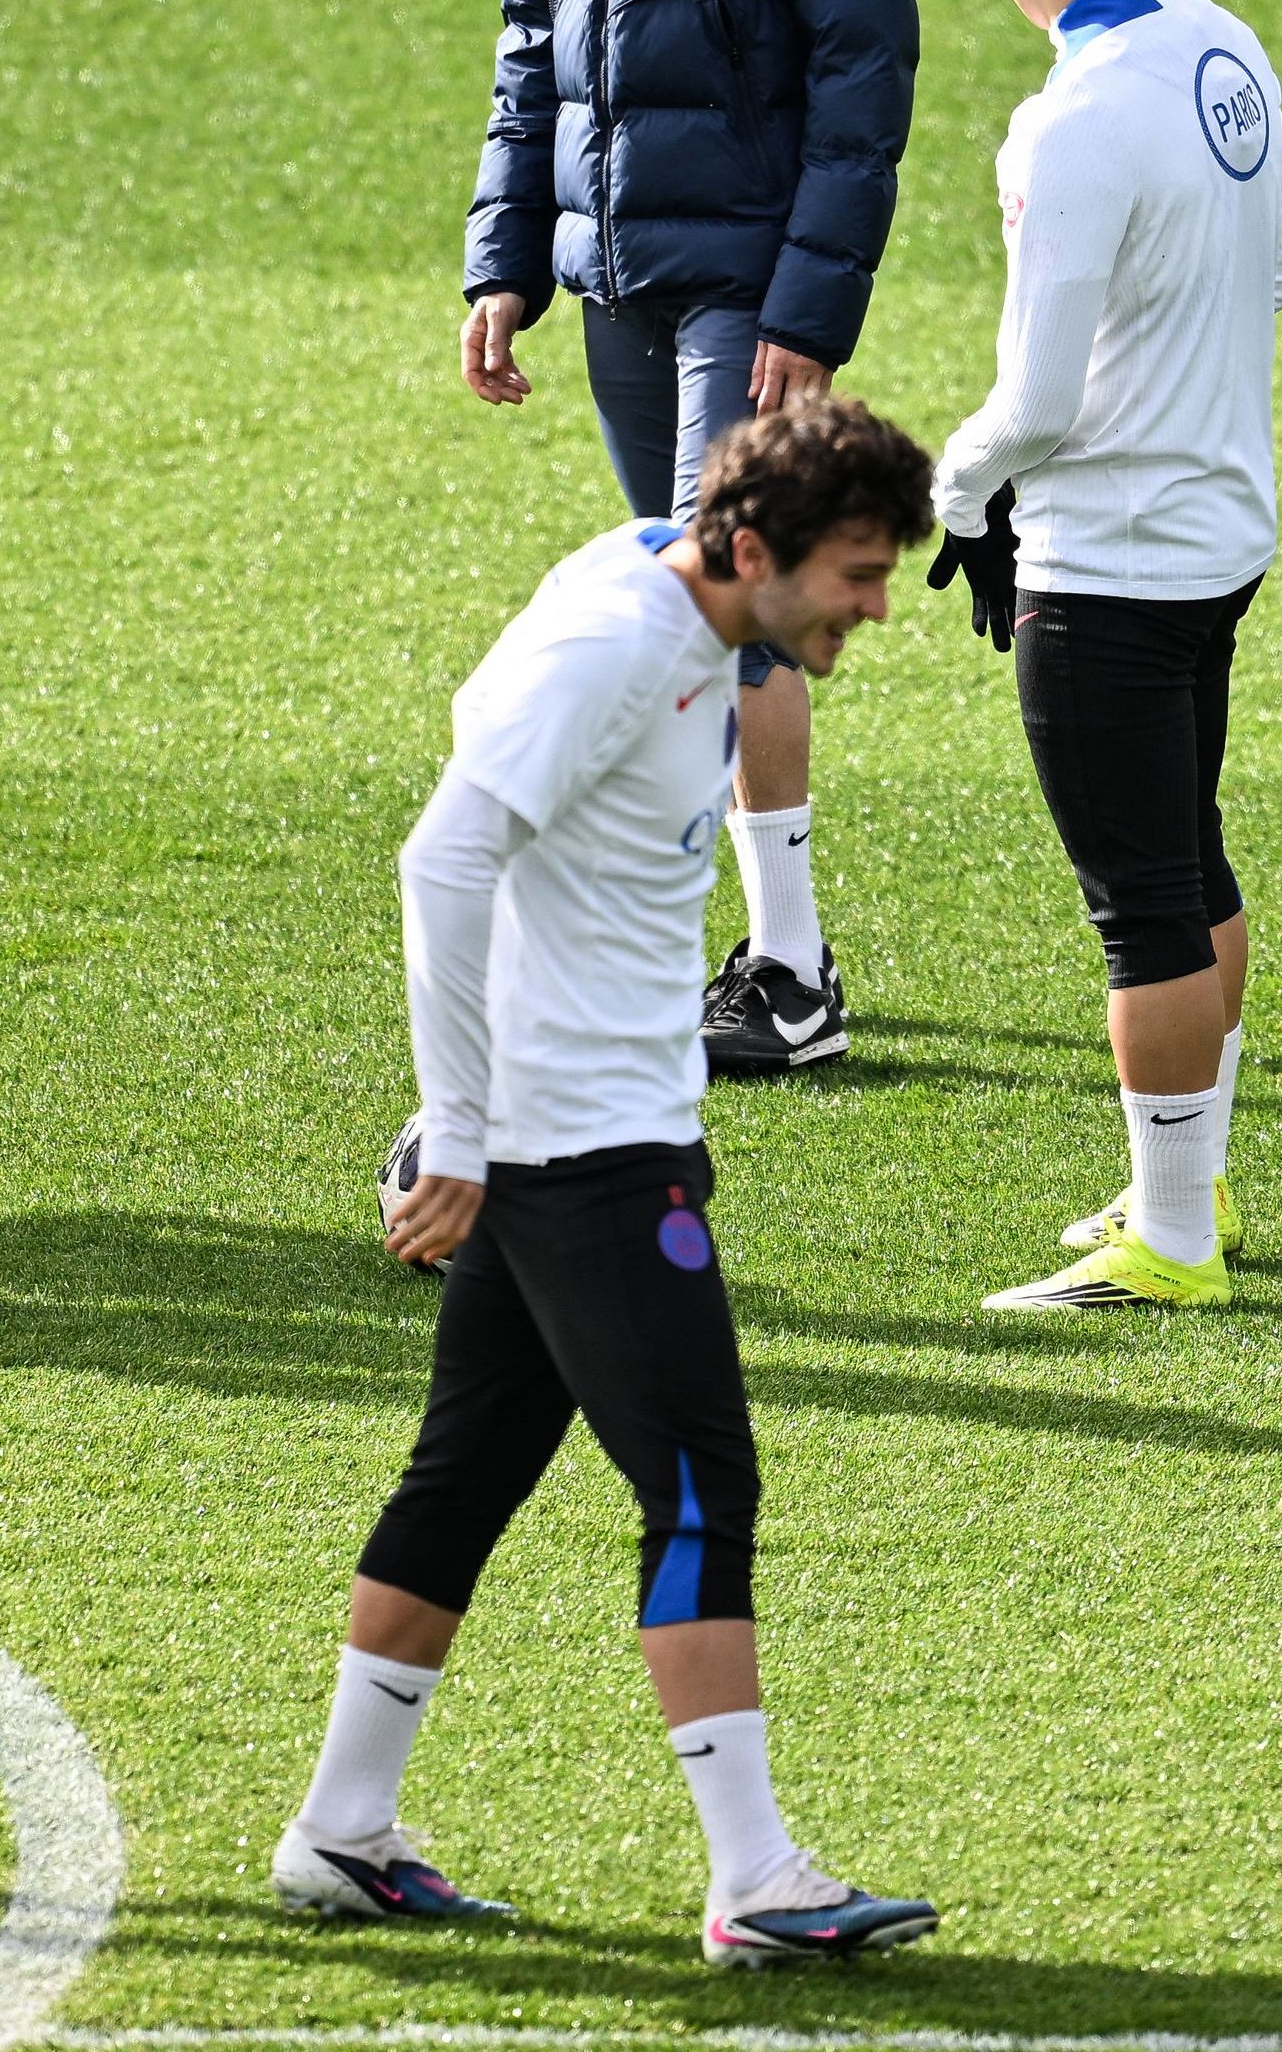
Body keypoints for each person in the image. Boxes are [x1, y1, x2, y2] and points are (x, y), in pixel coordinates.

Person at [277, 395, 942, 1968]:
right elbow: (442, 853)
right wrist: (457, 1125)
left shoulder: (674, 599)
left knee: (469, 1473)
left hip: (584, 1130)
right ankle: (757, 1880)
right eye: (854, 573)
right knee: (703, 1486)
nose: (873, 606)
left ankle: (340, 1834)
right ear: (755, 547)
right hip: (580, 1150)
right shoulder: (618, 642)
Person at [458, 0, 916, 1081]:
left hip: (748, 287)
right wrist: (506, 259)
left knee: (734, 605)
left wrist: (807, 313)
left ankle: (792, 970)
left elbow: (867, 68)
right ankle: (736, 940)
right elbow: (532, 50)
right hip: (617, 281)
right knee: (682, 602)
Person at [918, 0, 1282, 1312]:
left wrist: (954, 487)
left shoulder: (1066, 124)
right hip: (1221, 532)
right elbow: (1271, 278)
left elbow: (1038, 396)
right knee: (1187, 859)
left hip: (1110, 563)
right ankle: (1175, 1186)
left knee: (1138, 904)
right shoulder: (1226, 47)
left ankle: (1178, 1244)